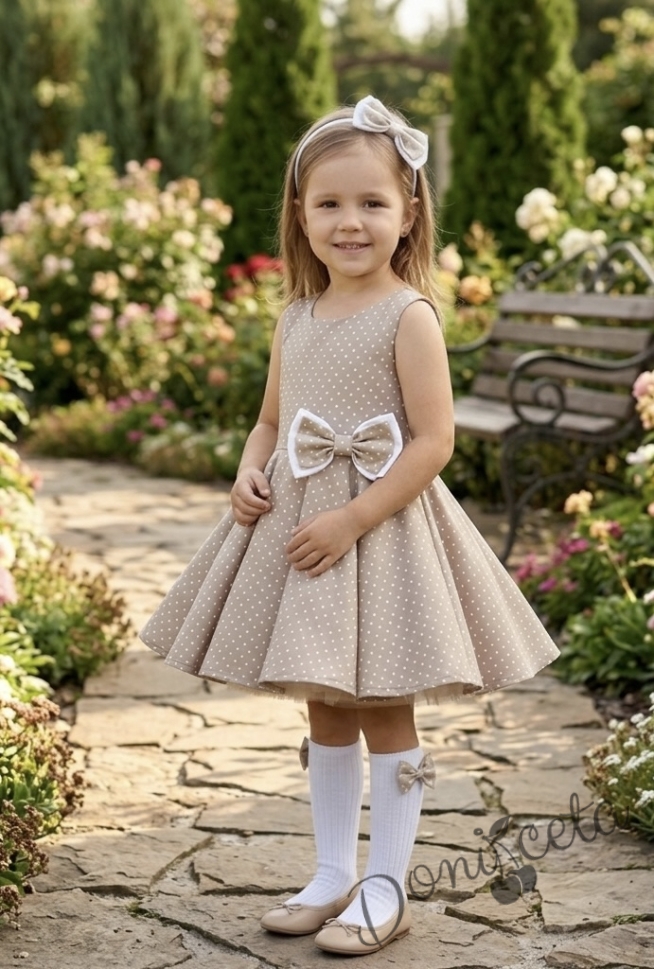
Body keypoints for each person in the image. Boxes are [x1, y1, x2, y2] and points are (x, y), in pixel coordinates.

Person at [140, 95, 560, 956]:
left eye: (372, 202)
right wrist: (250, 468)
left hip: (379, 532)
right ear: (300, 213)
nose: (351, 221)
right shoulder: (295, 317)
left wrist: (354, 516)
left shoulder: (408, 316)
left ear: (409, 213)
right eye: (330, 203)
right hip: (303, 533)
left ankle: (386, 886)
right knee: (325, 709)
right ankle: (333, 871)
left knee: (382, 708)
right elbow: (271, 419)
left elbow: (434, 441)